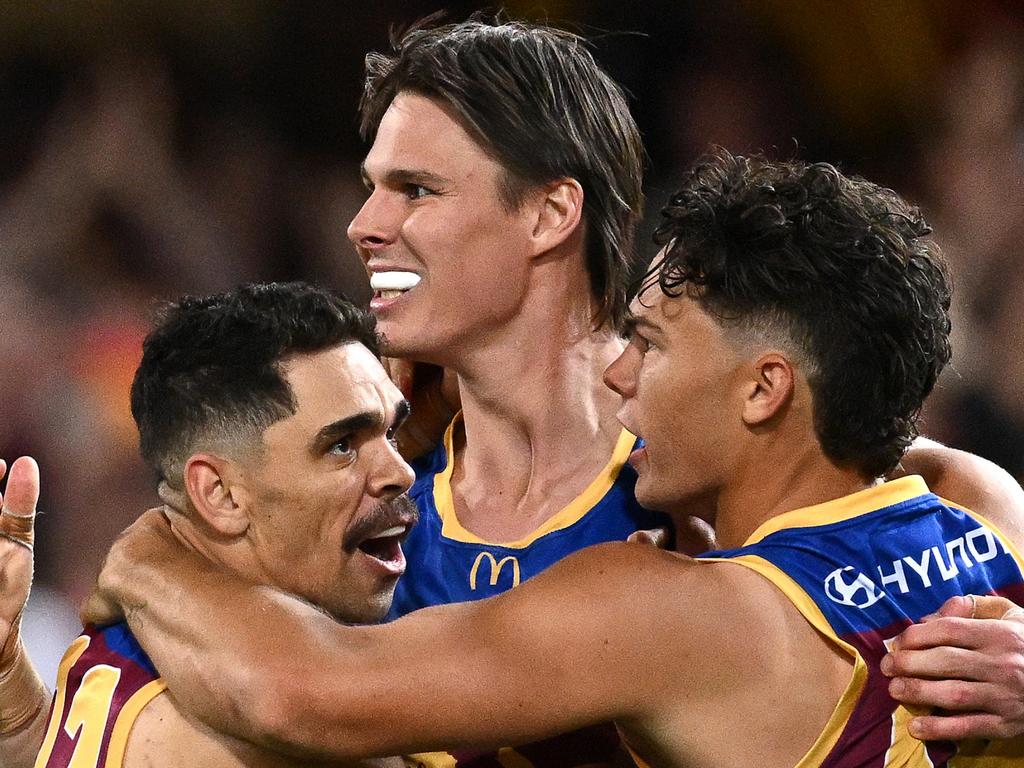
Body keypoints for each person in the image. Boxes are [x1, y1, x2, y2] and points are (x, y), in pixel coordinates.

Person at [77, 151, 1024, 765]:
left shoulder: (679, 614)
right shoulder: (980, 504)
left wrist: (149, 552)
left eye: (651, 344)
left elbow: (298, 693)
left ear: (763, 389)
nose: (618, 378)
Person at [0, 282, 416, 767]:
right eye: (342, 445)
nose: (400, 472)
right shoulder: (245, 719)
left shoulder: (119, 653)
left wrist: (24, 720)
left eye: (391, 433)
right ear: (220, 493)